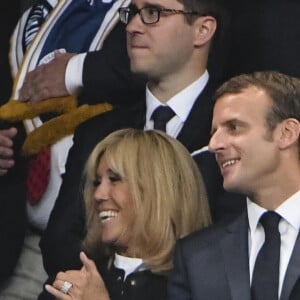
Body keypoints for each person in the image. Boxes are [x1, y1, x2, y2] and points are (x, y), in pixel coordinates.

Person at [39, 0, 239, 298]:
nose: (132, 27)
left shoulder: (236, 133)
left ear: (202, 30)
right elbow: (59, 243)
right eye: (132, 13)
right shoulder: (97, 131)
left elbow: (232, 253)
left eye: (153, 13)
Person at [0, 0, 144, 297]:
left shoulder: (142, 12)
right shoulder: (29, 14)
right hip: (16, 235)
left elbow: (159, 70)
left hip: (91, 254)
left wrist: (74, 70)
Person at [168, 71, 300, 300]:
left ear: (286, 133)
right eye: (214, 132)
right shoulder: (196, 257)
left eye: (234, 127)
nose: (213, 145)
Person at [43, 128, 210, 300]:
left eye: (114, 179)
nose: (98, 195)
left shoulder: (201, 286)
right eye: (97, 182)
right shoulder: (72, 283)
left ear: (159, 190)